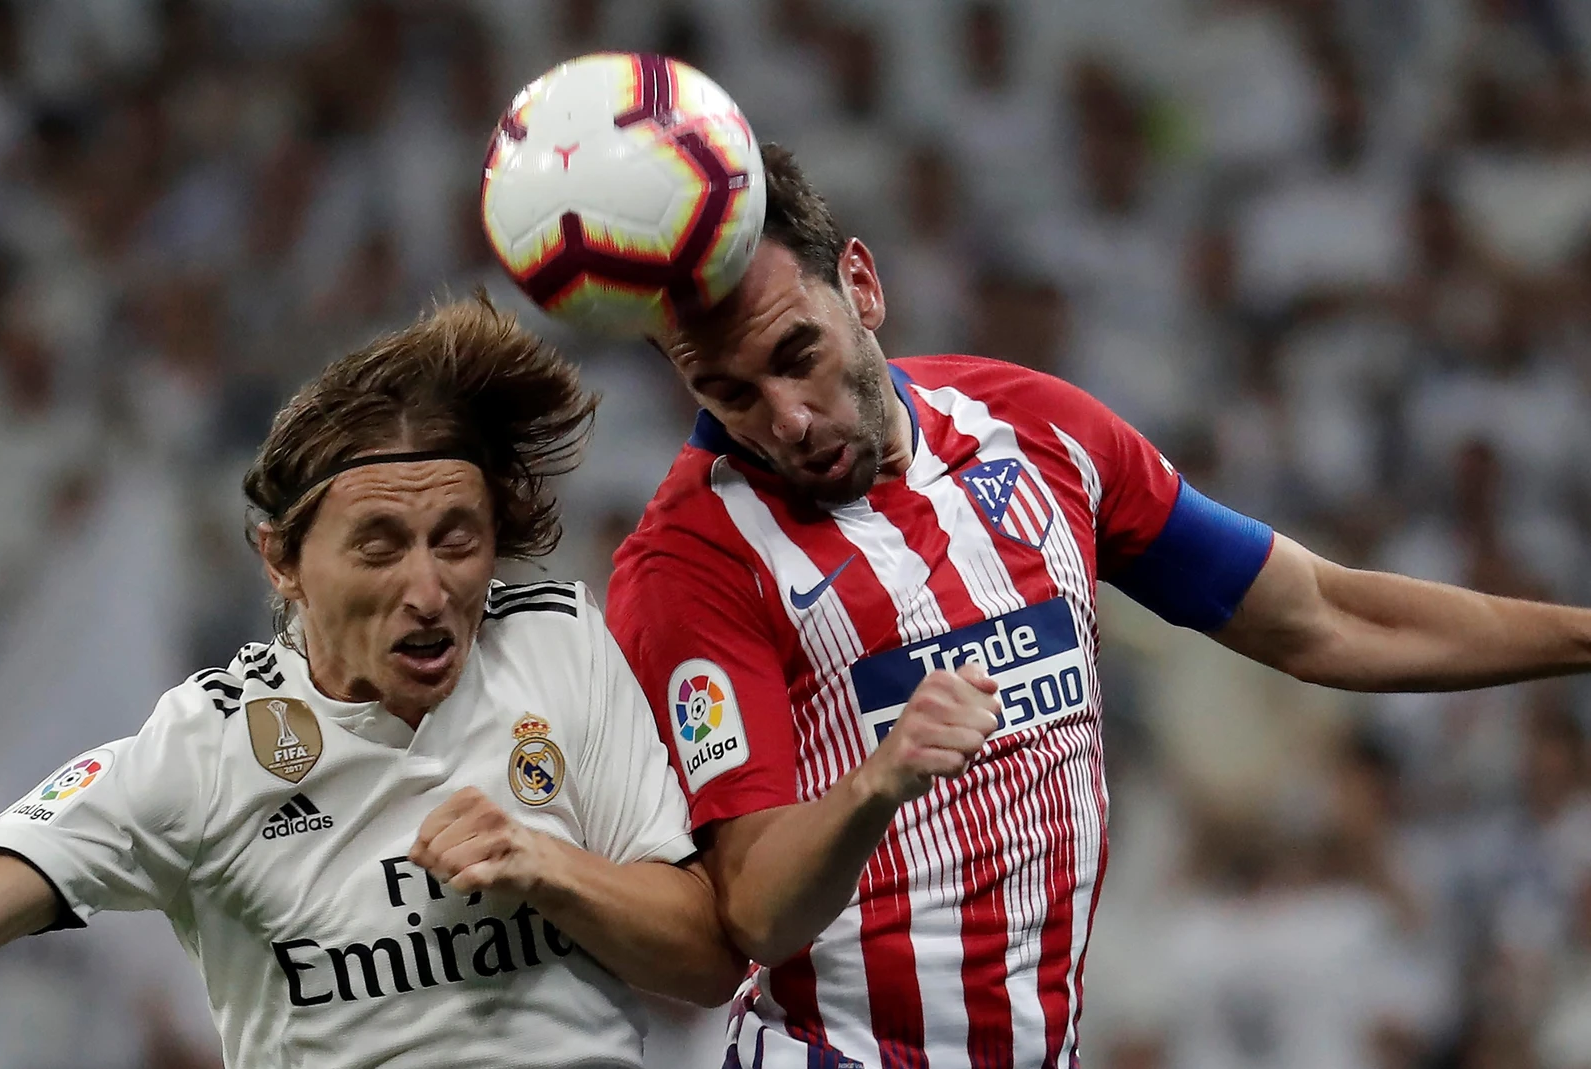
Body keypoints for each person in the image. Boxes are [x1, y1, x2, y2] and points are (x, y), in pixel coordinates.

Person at [604, 144, 1591, 1069]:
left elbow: (1324, 615)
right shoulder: (689, 562)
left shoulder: (1034, 430)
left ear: (860, 283)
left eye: (797, 354)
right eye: (728, 393)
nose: (785, 418)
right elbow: (757, 910)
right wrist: (877, 783)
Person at [0, 298, 746, 1067]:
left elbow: (706, 957)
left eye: (456, 539)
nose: (430, 588)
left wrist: (549, 866)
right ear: (281, 561)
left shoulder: (559, 647)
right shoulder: (206, 750)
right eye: (380, 544)